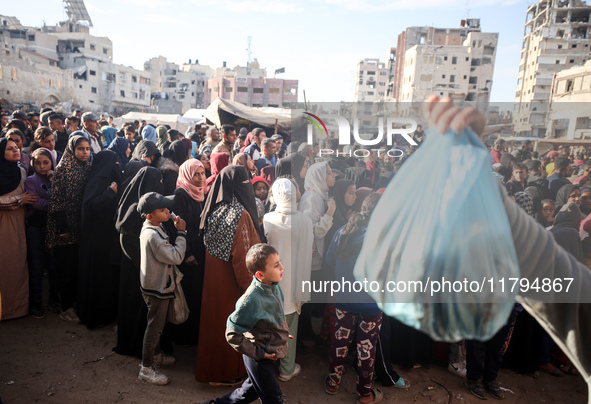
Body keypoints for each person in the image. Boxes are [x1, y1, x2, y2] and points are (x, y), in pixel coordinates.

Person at [196, 165, 262, 384]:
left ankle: (209, 372)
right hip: (232, 285)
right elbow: (243, 257)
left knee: (212, 326)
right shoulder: (240, 214)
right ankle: (226, 374)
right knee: (231, 329)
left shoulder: (212, 207)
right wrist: (249, 286)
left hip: (212, 280)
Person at [201, 243, 289, 404]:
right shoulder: (250, 300)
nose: (282, 267)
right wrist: (259, 353)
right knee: (274, 398)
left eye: (280, 262)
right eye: (276, 265)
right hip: (259, 359)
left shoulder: (274, 286)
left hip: (268, 354)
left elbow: (271, 318)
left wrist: (280, 332)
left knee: (247, 393)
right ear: (260, 275)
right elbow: (232, 333)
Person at [264, 178, 313, 382]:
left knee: (268, 328)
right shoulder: (305, 220)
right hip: (294, 284)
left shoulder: (268, 219)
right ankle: (286, 369)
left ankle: (266, 367)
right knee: (289, 330)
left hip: (272, 285)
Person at [113, 167, 165, 358]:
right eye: (158, 182)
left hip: (140, 269)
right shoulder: (135, 213)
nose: (160, 186)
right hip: (137, 269)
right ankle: (136, 348)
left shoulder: (143, 208)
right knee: (135, 308)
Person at [137, 192, 187, 385]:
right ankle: (147, 368)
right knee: (154, 329)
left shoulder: (155, 226)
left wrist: (172, 221)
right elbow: (175, 257)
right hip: (157, 288)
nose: (168, 212)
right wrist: (182, 233)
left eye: (168, 209)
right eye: (163, 210)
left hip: (158, 284)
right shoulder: (152, 235)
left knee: (157, 326)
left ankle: (156, 356)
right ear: (150, 216)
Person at [45, 135, 91, 324]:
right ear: (72, 150)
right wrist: (63, 228)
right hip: (63, 229)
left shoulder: (86, 168)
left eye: (88, 148)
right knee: (65, 268)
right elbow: (56, 202)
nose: (85, 152)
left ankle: (71, 303)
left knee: (74, 268)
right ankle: (65, 308)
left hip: (78, 225)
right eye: (81, 149)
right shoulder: (62, 170)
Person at [77, 150, 121, 329]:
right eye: (115, 163)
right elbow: (90, 207)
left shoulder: (107, 179)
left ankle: (105, 313)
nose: (117, 166)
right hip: (95, 239)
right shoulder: (98, 181)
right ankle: (94, 315)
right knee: (96, 277)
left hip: (105, 236)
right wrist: (109, 193)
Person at [0, 138, 38, 320]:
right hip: (3, 222)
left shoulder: (21, 172)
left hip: (17, 225)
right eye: (10, 149)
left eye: (16, 147)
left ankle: (16, 309)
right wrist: (17, 200)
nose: (16, 151)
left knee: (16, 265)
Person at [171, 159, 207, 346]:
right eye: (196, 174)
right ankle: (183, 337)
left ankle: (194, 334)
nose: (201, 178)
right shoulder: (181, 194)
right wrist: (187, 253)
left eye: (202, 173)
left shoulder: (202, 192)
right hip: (188, 253)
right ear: (187, 175)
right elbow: (179, 226)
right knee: (188, 293)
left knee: (197, 293)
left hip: (200, 250)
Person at [25, 148, 58, 318]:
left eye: (46, 162)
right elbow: (35, 203)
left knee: (53, 265)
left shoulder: (57, 178)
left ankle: (53, 299)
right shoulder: (31, 180)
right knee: (37, 266)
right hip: (36, 229)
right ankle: (36, 302)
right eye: (37, 163)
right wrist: (54, 202)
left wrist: (54, 182)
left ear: (52, 161)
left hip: (52, 229)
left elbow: (62, 200)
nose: (42, 166)